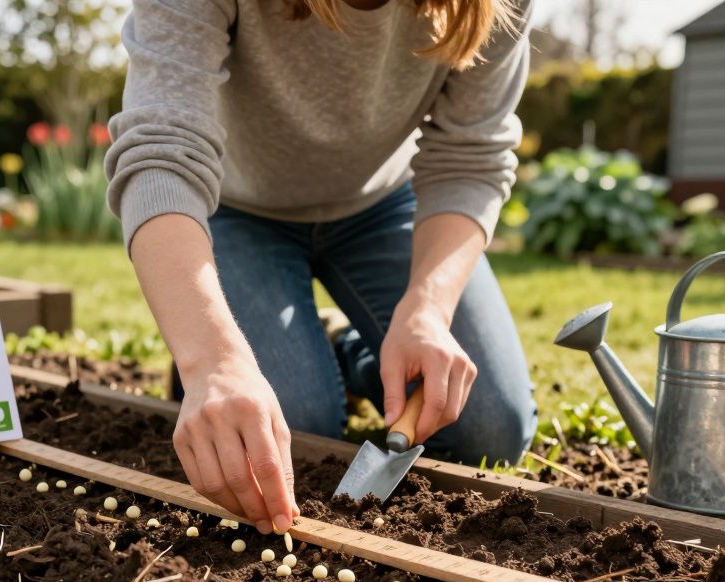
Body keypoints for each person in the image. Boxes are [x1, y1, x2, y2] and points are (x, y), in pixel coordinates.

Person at [105, 0, 538, 536]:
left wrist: (426, 308)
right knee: (297, 429)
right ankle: (236, 346)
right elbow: (160, 154)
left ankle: (345, 350)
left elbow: (471, 157)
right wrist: (210, 360)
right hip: (236, 210)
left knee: (489, 428)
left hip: (384, 206)